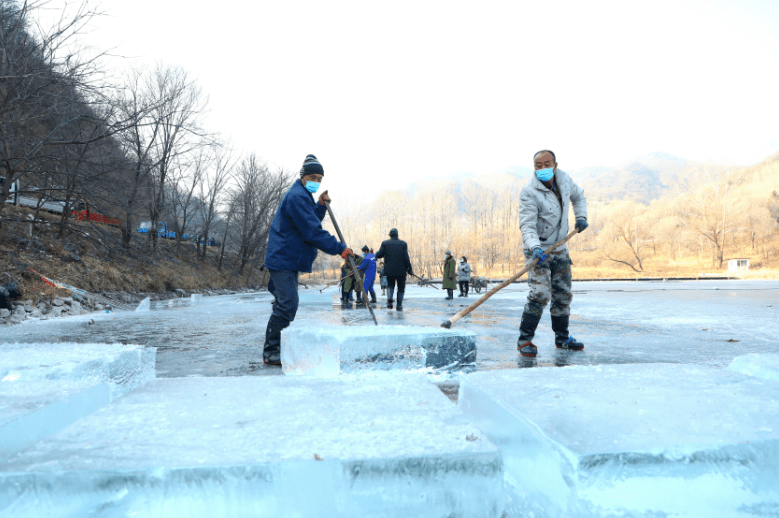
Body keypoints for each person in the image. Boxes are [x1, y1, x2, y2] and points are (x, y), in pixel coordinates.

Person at [262, 154, 354, 365]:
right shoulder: (297, 197)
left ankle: (277, 344)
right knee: (287, 305)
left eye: (319, 179)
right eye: (313, 177)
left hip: (288, 259)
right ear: (303, 176)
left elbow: (309, 220)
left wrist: (320, 206)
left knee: (286, 304)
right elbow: (312, 231)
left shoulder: (302, 195)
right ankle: (271, 350)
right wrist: (340, 249)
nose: (316, 182)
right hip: (282, 258)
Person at [517, 149, 588, 358]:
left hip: (560, 246)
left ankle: (562, 338)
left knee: (563, 293)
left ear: (555, 165)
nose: (543, 169)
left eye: (546, 164)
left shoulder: (564, 180)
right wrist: (535, 247)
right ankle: (525, 340)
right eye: (538, 166)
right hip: (537, 249)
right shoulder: (529, 192)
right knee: (540, 294)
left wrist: (581, 216)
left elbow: (579, 196)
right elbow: (527, 226)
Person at [374, 228, 412, 311]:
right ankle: (399, 306)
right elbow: (406, 257)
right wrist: (410, 268)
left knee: (390, 285)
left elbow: (379, 254)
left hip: (389, 270)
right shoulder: (403, 244)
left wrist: (375, 254)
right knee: (401, 288)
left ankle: (390, 298)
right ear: (397, 234)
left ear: (390, 235)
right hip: (401, 270)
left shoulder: (385, 243)